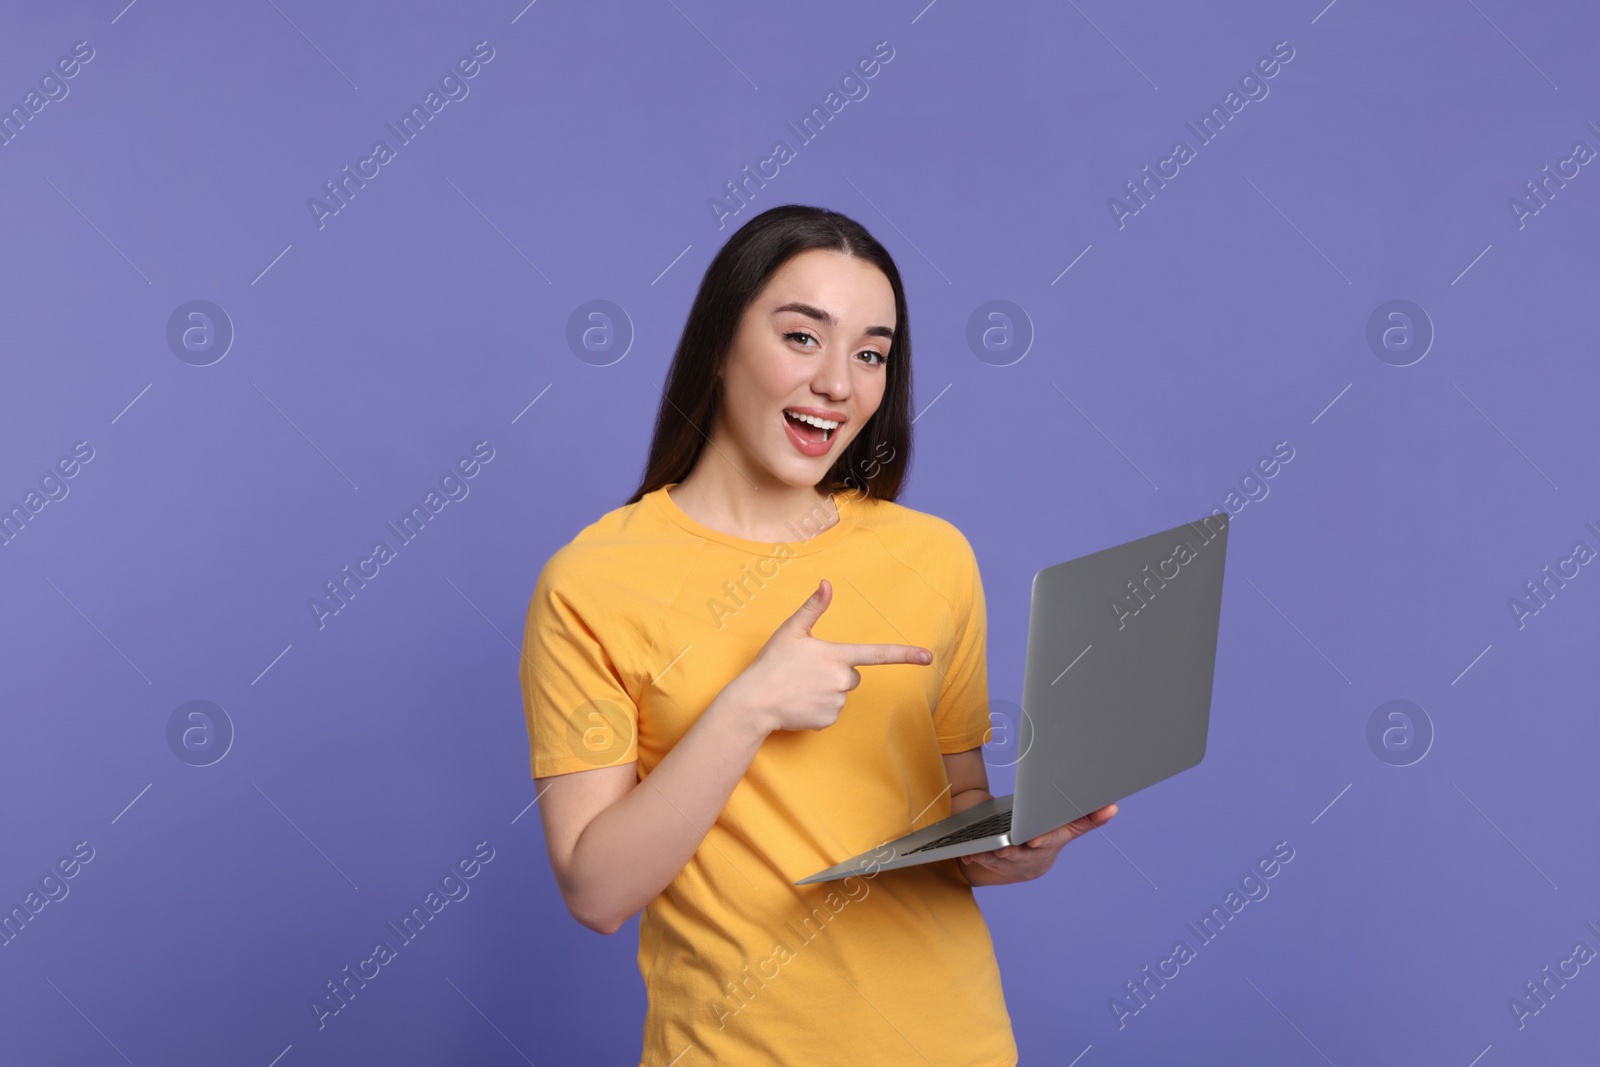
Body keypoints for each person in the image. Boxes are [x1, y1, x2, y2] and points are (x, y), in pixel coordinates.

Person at [519, 204, 1117, 1066]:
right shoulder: (593, 580)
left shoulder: (932, 555)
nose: (840, 383)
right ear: (721, 342)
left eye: (871, 353)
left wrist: (1011, 851)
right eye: (804, 338)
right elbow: (597, 890)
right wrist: (748, 707)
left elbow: (953, 815)